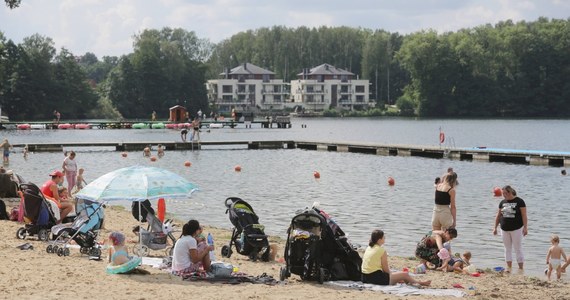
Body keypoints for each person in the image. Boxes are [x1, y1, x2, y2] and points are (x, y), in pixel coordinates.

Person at [362, 230, 431, 286]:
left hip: (364, 277)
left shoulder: (369, 248)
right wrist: (392, 275)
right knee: (405, 274)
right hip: (375, 279)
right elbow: (386, 270)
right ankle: (420, 283)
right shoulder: (382, 251)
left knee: (399, 275)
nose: (385, 239)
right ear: (379, 240)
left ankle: (407, 281)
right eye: (384, 237)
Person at [492, 185, 528, 270]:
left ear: (510, 192)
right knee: (507, 248)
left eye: (505, 193)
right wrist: (495, 227)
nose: (504, 195)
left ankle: (521, 269)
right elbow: (498, 215)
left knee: (517, 248)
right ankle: (509, 268)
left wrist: (525, 227)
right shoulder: (502, 202)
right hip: (504, 228)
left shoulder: (520, 201)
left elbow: (524, 215)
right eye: (503, 193)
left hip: (517, 228)